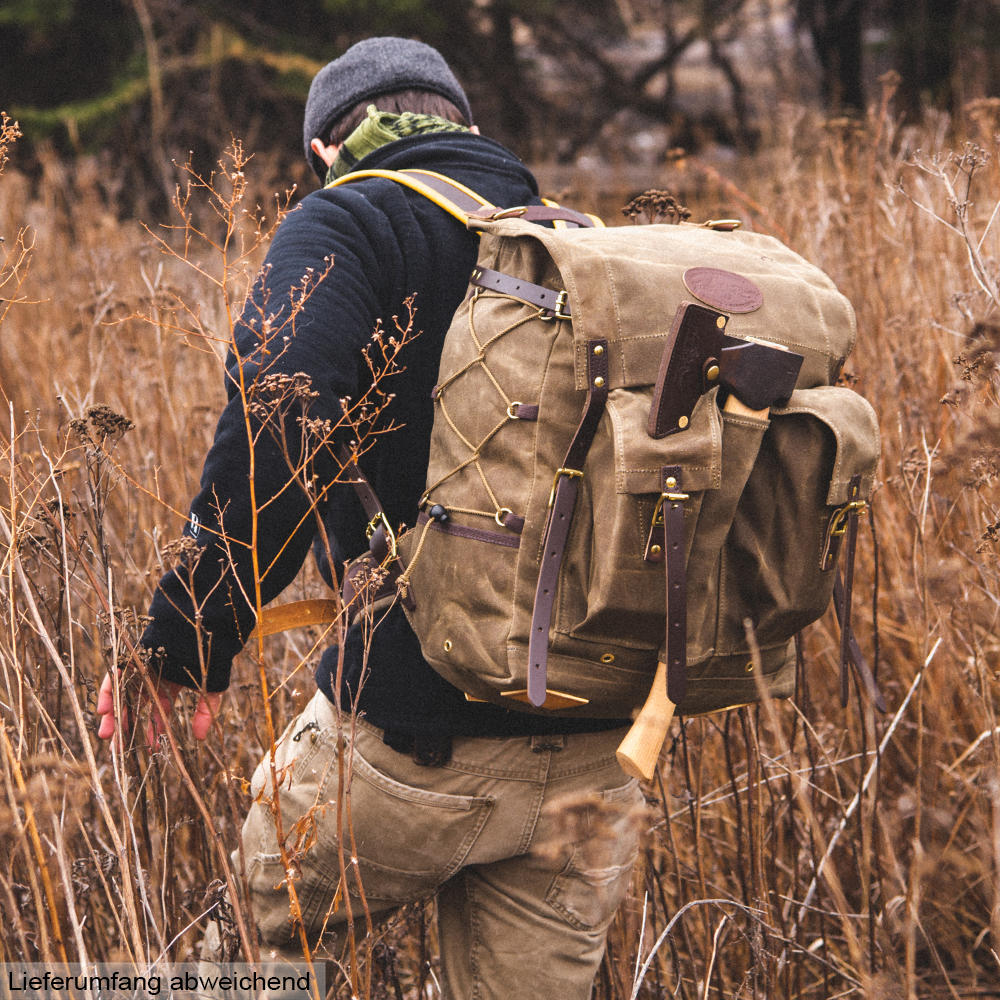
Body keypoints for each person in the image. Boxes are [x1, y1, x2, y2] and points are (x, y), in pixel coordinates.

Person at [97, 37, 644, 999]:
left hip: (406, 749)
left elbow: (280, 415)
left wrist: (187, 641)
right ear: (466, 125)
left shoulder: (350, 219)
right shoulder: (590, 245)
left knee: (250, 941)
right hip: (594, 752)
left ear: (323, 151)